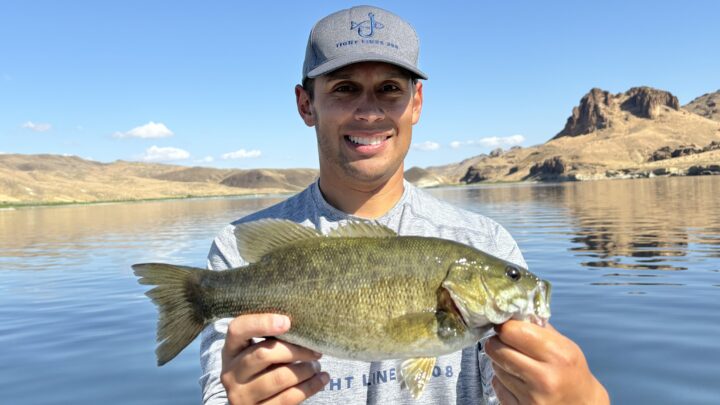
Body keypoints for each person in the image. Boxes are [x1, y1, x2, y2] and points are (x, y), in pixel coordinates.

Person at [200, 5, 609, 405]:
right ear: (306, 105)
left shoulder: (484, 240)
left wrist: (579, 399)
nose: (369, 111)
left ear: (416, 103)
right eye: (344, 88)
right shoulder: (238, 249)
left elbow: (514, 390)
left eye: (390, 89)